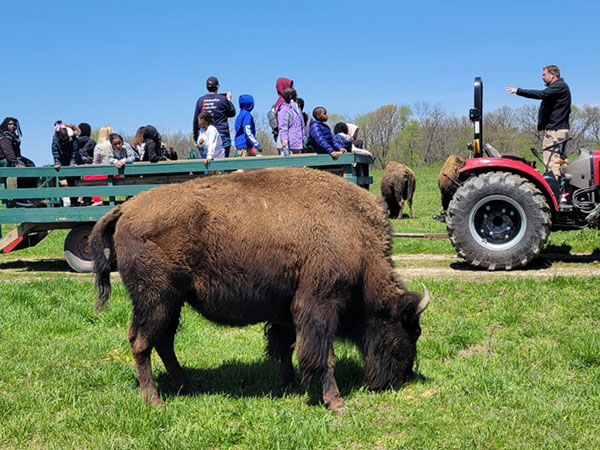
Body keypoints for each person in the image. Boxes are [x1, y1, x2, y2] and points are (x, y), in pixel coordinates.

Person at [505, 65, 571, 177]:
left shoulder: (559, 86)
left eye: (544, 74)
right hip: (556, 130)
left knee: (552, 164)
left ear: (552, 75)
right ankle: (560, 188)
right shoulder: (559, 87)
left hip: (555, 131)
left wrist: (518, 91)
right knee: (558, 162)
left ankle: (555, 191)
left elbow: (541, 94)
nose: (542, 77)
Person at [192, 76, 236, 158]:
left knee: (207, 165)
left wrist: (196, 137)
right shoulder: (223, 99)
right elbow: (232, 113)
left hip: (205, 135)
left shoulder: (200, 100)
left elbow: (195, 120)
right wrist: (229, 100)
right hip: (222, 133)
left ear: (206, 87)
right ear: (217, 87)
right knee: (223, 166)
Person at [0, 117, 38, 207]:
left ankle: (29, 195)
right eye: (10, 124)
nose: (13, 126)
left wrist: (19, 160)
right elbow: (8, 151)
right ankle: (20, 197)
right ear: (6, 125)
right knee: (22, 168)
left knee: (31, 165)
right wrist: (15, 163)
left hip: (14, 157)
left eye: (14, 125)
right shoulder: (5, 135)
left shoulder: (13, 135)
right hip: (3, 159)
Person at [277, 88, 306, 155]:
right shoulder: (284, 109)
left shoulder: (297, 109)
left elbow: (302, 125)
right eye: (295, 95)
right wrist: (284, 140)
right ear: (290, 96)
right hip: (288, 144)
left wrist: (303, 137)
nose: (297, 97)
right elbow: (283, 126)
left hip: (298, 143)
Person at [269, 77, 293, 147]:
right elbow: (283, 123)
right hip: (285, 138)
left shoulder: (286, 101)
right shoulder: (282, 102)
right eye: (290, 87)